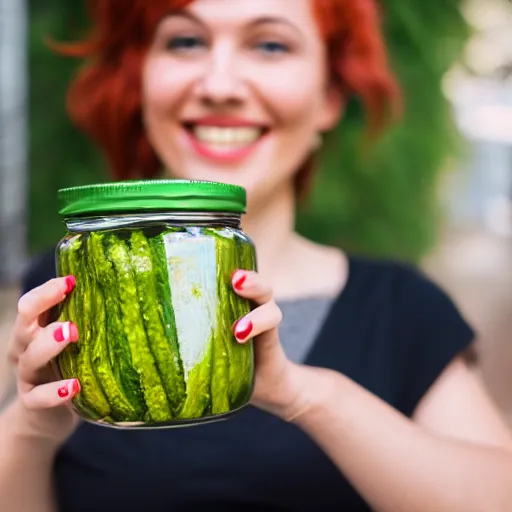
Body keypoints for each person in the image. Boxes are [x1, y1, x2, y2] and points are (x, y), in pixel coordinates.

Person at [2, 0, 512, 510]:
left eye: (271, 45)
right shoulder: (64, 284)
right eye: (186, 41)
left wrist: (304, 395)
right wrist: (32, 427)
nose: (220, 85)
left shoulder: (400, 309)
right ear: (141, 79)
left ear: (330, 96)